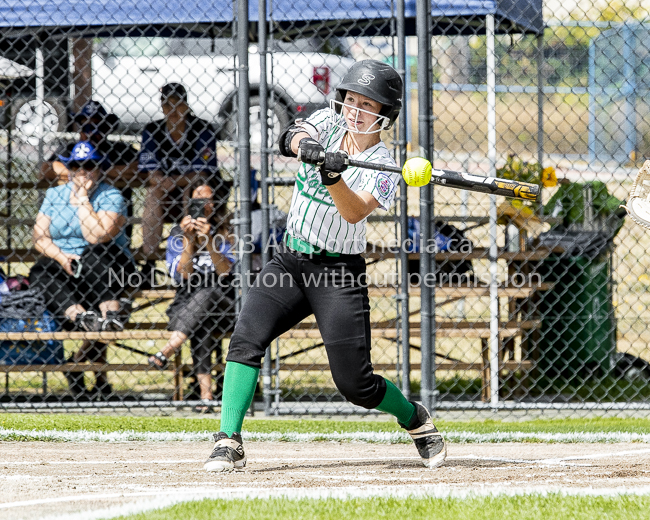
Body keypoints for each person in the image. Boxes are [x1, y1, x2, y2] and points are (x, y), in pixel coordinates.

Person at [203, 60, 447, 472]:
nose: (354, 110)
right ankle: (229, 440)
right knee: (245, 340)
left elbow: (353, 213)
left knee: (356, 383)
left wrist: (335, 178)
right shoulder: (327, 122)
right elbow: (293, 135)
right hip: (290, 261)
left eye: (366, 105)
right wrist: (306, 148)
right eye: (351, 99)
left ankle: (414, 417)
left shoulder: (385, 165)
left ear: (385, 115)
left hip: (337, 273)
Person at [30, 141, 135, 398]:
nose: (83, 171)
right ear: (69, 168)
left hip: (108, 264)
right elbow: (39, 237)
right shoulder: (55, 195)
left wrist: (83, 200)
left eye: (89, 165)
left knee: (94, 255)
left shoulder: (111, 195)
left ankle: (108, 316)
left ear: (99, 169)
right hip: (65, 262)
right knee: (40, 271)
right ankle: (82, 317)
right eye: (76, 166)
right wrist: (61, 256)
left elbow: (97, 236)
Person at [148, 179, 235, 413]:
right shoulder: (178, 232)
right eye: (198, 200)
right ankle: (206, 397)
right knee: (201, 322)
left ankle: (168, 349)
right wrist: (189, 241)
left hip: (226, 304)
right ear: (189, 203)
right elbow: (184, 275)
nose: (203, 206)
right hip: (188, 304)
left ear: (215, 203)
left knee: (207, 293)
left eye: (208, 200)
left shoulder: (226, 230)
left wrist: (207, 241)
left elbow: (225, 272)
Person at [138, 83, 223, 284]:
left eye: (177, 104)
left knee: (193, 189)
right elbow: (151, 175)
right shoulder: (152, 130)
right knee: (153, 193)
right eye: (167, 104)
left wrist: (173, 180)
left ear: (186, 106)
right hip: (165, 193)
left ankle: (192, 245)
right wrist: (164, 181)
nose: (172, 110)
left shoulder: (202, 129)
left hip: (194, 189)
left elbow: (202, 173)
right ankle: (149, 262)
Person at [40, 100, 139, 185]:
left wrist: (98, 174)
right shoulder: (71, 149)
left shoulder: (119, 150)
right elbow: (46, 169)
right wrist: (77, 176)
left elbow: (142, 169)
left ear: (107, 128)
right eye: (86, 127)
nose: (91, 133)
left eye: (97, 127)